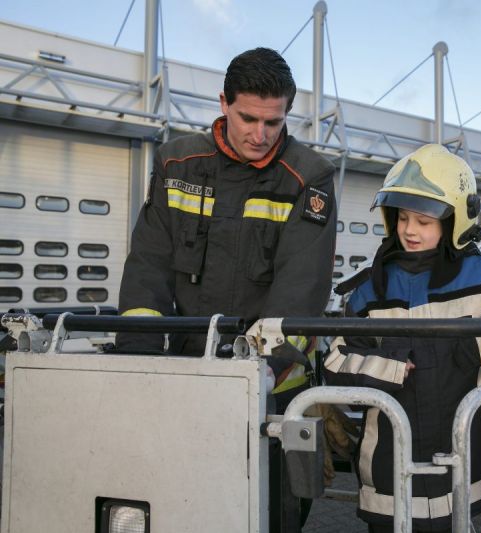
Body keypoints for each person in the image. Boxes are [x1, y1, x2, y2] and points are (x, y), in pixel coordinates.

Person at [115, 47, 337, 531]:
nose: (260, 135)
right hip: (186, 380)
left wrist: (251, 377)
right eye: (248, 118)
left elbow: (301, 286)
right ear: (223, 103)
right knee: (182, 506)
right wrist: (137, 367)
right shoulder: (177, 163)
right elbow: (148, 269)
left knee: (272, 514)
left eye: (273, 123)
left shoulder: (309, 177)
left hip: (274, 392)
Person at [324, 144, 481, 532]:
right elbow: (336, 360)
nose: (409, 230)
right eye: (403, 217)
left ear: (456, 219)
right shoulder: (368, 291)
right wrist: (389, 368)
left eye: (424, 220)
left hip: (477, 480)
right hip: (392, 481)